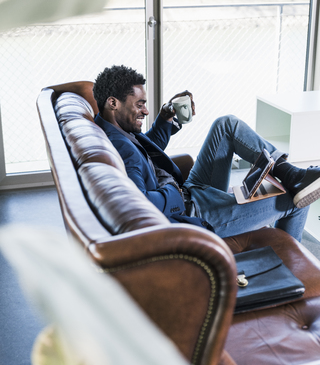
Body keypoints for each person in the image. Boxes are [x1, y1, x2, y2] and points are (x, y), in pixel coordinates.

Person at [67, 65, 320, 242]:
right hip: (193, 211)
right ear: (113, 102)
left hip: (191, 190)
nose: (145, 111)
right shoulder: (121, 150)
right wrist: (174, 191)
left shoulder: (111, 127)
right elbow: (140, 206)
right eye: (140, 104)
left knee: (226, 125)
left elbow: (147, 152)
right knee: (293, 196)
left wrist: (165, 118)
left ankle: (289, 170)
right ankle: (288, 260)